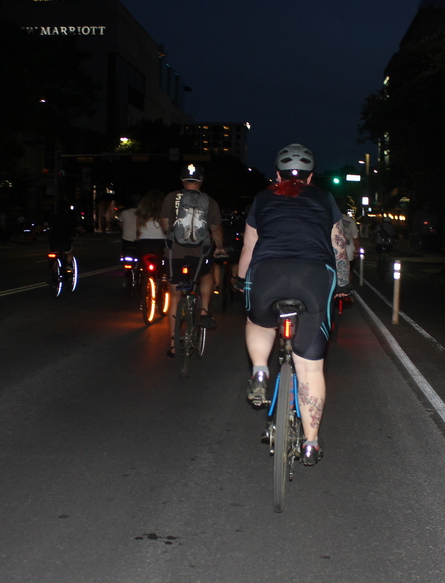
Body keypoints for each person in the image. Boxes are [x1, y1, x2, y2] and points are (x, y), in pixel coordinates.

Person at [236, 144, 351, 466]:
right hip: (314, 277)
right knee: (310, 368)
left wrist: (241, 281)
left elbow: (249, 246)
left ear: (277, 175)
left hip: (268, 274)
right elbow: (339, 246)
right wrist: (343, 285)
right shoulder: (324, 198)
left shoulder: (263, 198)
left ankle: (260, 371)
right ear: (311, 177)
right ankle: (311, 443)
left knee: (258, 322)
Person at [160, 164, 226, 357]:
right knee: (207, 273)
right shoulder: (210, 201)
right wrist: (220, 248)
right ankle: (204, 310)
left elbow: (165, 225)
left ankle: (173, 345)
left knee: (174, 296)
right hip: (200, 253)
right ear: (201, 180)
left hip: (174, 253)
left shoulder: (171, 197)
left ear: (182, 180)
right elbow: (215, 229)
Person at [135, 189, 167, 260]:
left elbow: (138, 229)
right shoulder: (163, 213)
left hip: (143, 242)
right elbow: (165, 228)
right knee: (161, 262)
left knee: (142, 263)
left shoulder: (140, 214)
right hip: (160, 242)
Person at [117, 193, 140, 263]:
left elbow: (121, 225)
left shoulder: (124, 213)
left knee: (125, 254)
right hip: (139, 239)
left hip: (126, 239)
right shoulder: (142, 213)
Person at [341, 211, 362, 284]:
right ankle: (348, 287)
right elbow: (355, 238)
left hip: (333, 249)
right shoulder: (350, 220)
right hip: (348, 249)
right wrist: (357, 250)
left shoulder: (329, 219)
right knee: (349, 270)